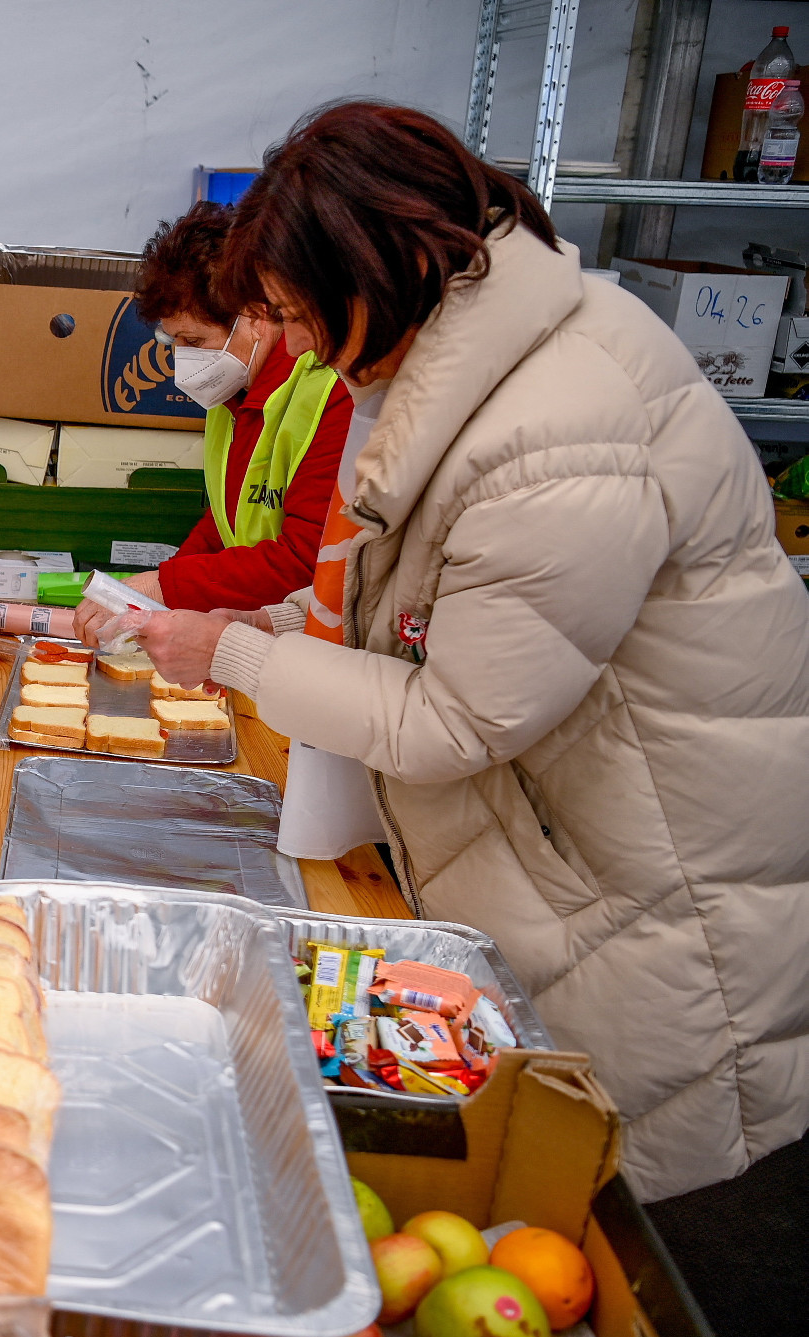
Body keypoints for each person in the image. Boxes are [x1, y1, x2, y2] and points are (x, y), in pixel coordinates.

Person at [126, 104, 809, 1210]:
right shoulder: (450, 373)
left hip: (649, 885)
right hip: (579, 849)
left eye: (298, 315)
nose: (290, 349)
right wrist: (292, 617)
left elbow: (457, 717)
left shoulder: (558, 425)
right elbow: (392, 591)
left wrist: (238, 651)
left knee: (621, 1231)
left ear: (376, 275)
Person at [72, 201, 352, 642]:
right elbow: (225, 524)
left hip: (312, 639)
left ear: (256, 316)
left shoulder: (330, 392)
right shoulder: (232, 393)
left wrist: (166, 586)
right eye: (175, 341)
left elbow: (307, 559)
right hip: (256, 629)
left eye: (195, 340)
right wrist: (159, 587)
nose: (184, 359)